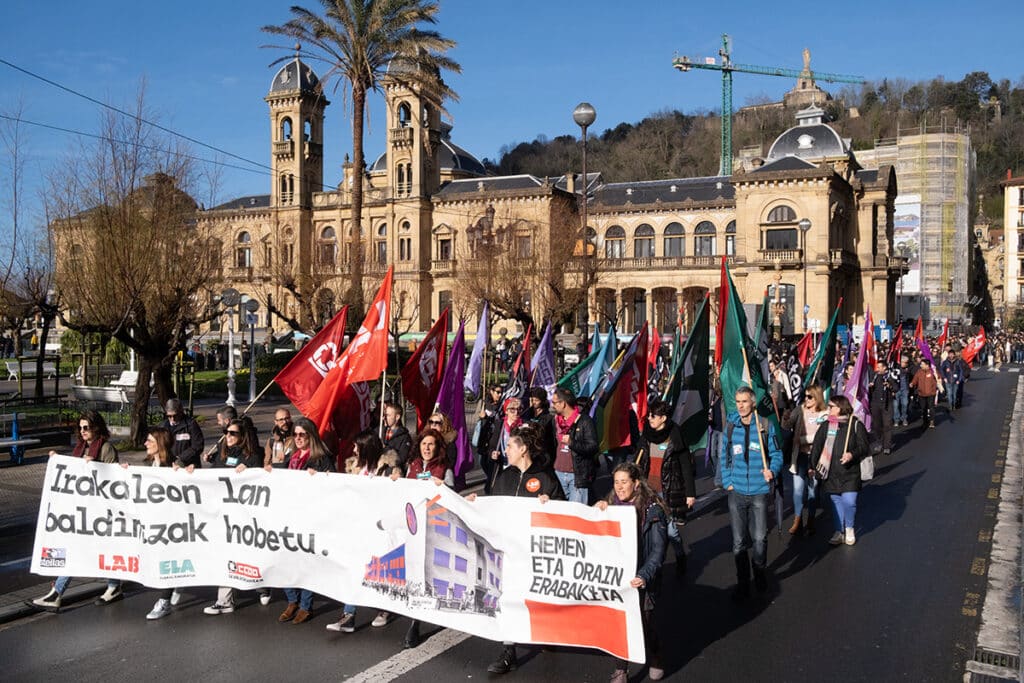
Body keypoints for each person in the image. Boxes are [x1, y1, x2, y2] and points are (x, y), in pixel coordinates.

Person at [468, 424, 564, 675]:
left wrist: (550, 504)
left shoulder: (545, 477)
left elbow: (564, 510)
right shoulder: (504, 476)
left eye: (510, 445)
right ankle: (509, 651)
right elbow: (493, 506)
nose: (505, 449)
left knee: (537, 596)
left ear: (523, 449)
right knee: (508, 598)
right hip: (508, 551)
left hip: (534, 553)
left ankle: (545, 631)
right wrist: (475, 504)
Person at [31, 411, 122, 610]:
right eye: (80, 428)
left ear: (96, 428)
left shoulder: (106, 448)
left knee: (107, 550)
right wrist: (58, 460)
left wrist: (95, 466)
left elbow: (115, 479)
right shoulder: (81, 448)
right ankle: (57, 592)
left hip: (101, 511)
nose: (82, 432)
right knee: (73, 547)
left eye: (86, 428)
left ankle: (114, 586)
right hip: (82, 511)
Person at [597, 463, 668, 683]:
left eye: (624, 481)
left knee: (643, 626)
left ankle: (655, 656)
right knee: (619, 623)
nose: (619, 487)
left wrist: (644, 575)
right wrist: (597, 509)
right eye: (616, 481)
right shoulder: (610, 504)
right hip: (619, 579)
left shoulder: (652, 510)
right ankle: (621, 670)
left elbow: (658, 550)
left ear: (636, 484)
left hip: (642, 579)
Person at [326, 430, 398, 632]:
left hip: (380, 528)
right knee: (353, 569)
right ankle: (348, 615)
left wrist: (396, 481)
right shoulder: (355, 468)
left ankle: (384, 608)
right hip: (358, 528)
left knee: (379, 571)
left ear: (368, 448)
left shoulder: (387, 469)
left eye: (358, 446)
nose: (354, 449)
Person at [391, 427, 455, 649]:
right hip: (413, 528)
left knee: (431, 574)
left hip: (434, 529)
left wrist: (444, 489)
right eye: (424, 444)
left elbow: (453, 502)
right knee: (415, 574)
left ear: (437, 447)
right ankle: (414, 623)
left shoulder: (444, 469)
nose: (427, 448)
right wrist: (395, 480)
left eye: (431, 444)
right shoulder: (413, 466)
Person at [268, 417, 335, 624]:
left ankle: (306, 605)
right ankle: (292, 600)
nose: (297, 438)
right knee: (287, 559)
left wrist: (320, 478)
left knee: (306, 562)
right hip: (290, 516)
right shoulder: (293, 457)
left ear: (310, 436)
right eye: (295, 434)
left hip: (310, 518)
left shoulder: (321, 457)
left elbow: (333, 484)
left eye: (302, 435)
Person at [720, 387, 783, 600]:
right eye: (737, 401)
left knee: (760, 538)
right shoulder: (731, 425)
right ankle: (743, 582)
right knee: (738, 542)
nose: (740, 405)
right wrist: (727, 480)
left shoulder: (765, 425)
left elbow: (776, 454)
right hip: (736, 491)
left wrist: (772, 471)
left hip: (759, 491)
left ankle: (759, 568)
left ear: (752, 403)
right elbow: (725, 455)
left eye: (744, 401)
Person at [204, 419, 264, 615]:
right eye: (226, 432)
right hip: (222, 515)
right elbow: (211, 480)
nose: (227, 436)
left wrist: (249, 471)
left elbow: (260, 480)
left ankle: (263, 584)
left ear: (242, 436)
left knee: (249, 554)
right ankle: (225, 600)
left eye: (232, 433)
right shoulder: (222, 454)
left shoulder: (252, 457)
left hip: (243, 517)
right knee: (226, 556)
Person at [635, 399, 695, 576]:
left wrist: (690, 494)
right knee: (647, 529)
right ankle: (651, 566)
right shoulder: (646, 435)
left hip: (667, 491)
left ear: (663, 418)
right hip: (648, 491)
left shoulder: (675, 435)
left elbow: (686, 466)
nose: (650, 419)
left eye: (654, 416)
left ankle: (679, 554)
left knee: (671, 532)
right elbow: (638, 459)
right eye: (649, 415)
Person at [810, 395, 870, 546]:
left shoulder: (855, 424)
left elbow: (864, 447)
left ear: (841, 408)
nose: (828, 409)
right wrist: (813, 466)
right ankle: (839, 531)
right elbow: (817, 447)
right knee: (836, 503)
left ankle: (849, 528)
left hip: (850, 473)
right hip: (831, 473)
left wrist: (851, 454)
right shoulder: (826, 425)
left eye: (832, 407)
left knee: (849, 502)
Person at [136, 427, 181, 620]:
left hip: (169, 524)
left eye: (149, 440)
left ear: (159, 443)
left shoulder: (172, 466)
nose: (145, 443)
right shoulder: (148, 465)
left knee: (168, 559)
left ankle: (164, 601)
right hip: (152, 522)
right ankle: (178, 583)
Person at [783, 385, 827, 535]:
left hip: (816, 458)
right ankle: (797, 519)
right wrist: (785, 417)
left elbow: (825, 436)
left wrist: (804, 439)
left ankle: (811, 520)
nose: (806, 399)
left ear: (817, 398)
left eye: (810, 397)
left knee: (813, 491)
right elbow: (787, 426)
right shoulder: (800, 409)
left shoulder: (825, 413)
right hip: (799, 456)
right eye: (805, 396)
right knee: (797, 490)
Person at [550, 388, 600, 504]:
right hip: (558, 473)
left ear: (563, 404)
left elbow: (593, 447)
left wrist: (572, 443)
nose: (553, 406)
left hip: (577, 476)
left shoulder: (584, 421)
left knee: (575, 514)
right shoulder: (556, 421)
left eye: (554, 403)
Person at [486, 397, 524, 488]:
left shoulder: (524, 426)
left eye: (519, 409)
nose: (516, 412)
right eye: (512, 410)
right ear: (506, 411)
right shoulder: (499, 424)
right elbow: (492, 446)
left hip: (517, 467)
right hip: (501, 466)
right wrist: (492, 453)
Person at [475, 386, 504, 494]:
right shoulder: (483, 403)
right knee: (482, 462)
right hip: (483, 439)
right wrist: (482, 416)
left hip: (493, 441)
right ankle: (492, 481)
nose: (499, 395)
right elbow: (476, 418)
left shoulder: (500, 406)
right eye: (497, 392)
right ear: (491, 392)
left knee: (491, 466)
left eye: (501, 392)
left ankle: (491, 486)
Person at [162, 398, 204, 468]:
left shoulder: (191, 424)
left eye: (175, 415)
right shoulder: (163, 426)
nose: (172, 419)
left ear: (181, 412)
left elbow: (198, 446)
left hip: (189, 465)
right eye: (169, 416)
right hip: (170, 465)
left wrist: (181, 458)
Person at [868, 359, 896, 455]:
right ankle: (879, 442)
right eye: (877, 367)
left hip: (887, 404)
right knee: (876, 425)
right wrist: (870, 386)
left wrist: (889, 385)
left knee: (887, 425)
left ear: (885, 368)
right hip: (875, 404)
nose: (878, 369)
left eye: (880, 367)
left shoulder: (889, 376)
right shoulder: (874, 376)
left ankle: (887, 446)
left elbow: (896, 387)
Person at [525, 387, 556, 465]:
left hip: (543, 451)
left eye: (536, 400)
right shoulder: (528, 413)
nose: (534, 402)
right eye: (532, 400)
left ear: (542, 401)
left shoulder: (548, 416)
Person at [382, 401, 413, 470]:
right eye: (384, 415)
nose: (385, 418)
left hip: (392, 473)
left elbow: (401, 459)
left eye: (388, 415)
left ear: (397, 417)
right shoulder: (380, 431)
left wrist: (385, 449)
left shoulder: (405, 437)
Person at [910, 359, 939, 429]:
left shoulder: (933, 372)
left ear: (927, 365)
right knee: (923, 409)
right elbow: (915, 379)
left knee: (931, 407)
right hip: (921, 393)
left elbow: (939, 378)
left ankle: (931, 421)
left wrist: (939, 381)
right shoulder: (919, 372)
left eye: (922, 364)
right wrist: (912, 383)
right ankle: (925, 421)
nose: (921, 365)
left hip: (931, 393)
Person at [893, 355, 913, 427]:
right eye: (903, 362)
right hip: (896, 390)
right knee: (896, 405)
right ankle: (896, 420)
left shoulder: (908, 370)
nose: (905, 364)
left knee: (905, 404)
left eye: (906, 362)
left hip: (905, 390)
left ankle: (904, 418)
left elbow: (911, 376)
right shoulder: (896, 369)